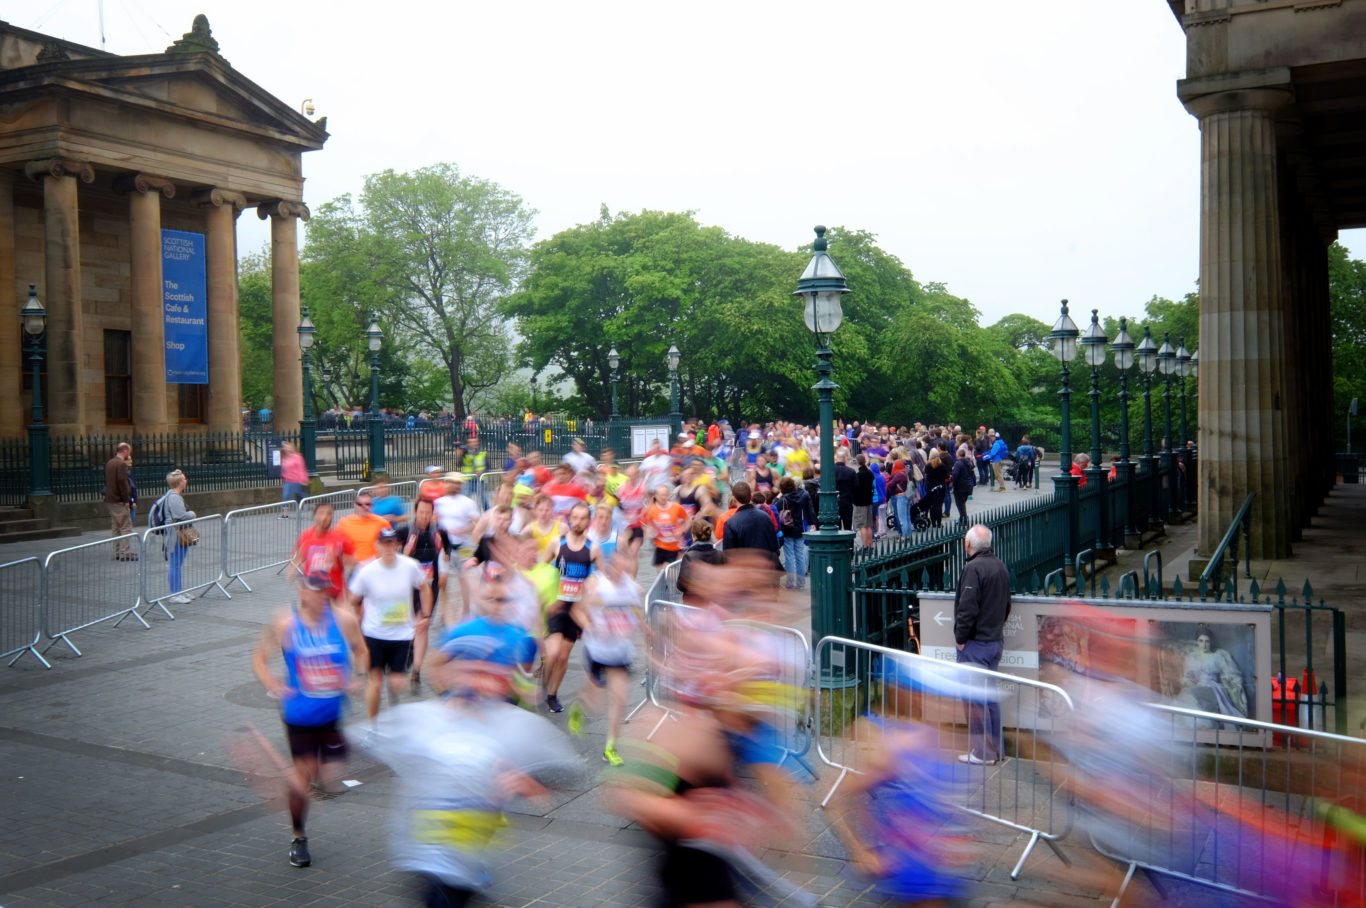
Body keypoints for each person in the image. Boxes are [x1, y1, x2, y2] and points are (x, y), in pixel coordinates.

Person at [252, 571, 366, 869]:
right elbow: (259, 658)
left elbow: (362, 651)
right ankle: (298, 835)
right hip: (299, 714)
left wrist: (356, 676)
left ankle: (316, 779)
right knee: (304, 774)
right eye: (315, 591)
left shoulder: (344, 620)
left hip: (331, 713)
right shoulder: (285, 623)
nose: (320, 597)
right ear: (303, 591)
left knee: (330, 777)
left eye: (324, 591)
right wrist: (272, 683)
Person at [568, 548, 645, 766]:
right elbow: (576, 611)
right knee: (595, 700)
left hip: (620, 652)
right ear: (610, 566)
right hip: (597, 650)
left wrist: (645, 627)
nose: (621, 573)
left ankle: (610, 748)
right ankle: (579, 706)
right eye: (617, 568)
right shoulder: (595, 584)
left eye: (625, 569)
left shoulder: (632, 587)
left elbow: (635, 610)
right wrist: (591, 625)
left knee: (619, 699)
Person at [348, 527, 433, 723]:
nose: (388, 548)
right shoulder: (367, 570)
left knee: (396, 684)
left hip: (401, 635)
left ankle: (394, 713)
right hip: (374, 634)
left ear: (397, 545)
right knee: (375, 684)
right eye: (384, 544)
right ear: (377, 546)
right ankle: (373, 726)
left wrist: (426, 617)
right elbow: (353, 599)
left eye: (391, 544)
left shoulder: (410, 566)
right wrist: (355, 621)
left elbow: (425, 588)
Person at [953, 524, 1011, 764]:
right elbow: (1007, 605)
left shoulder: (973, 568)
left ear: (968, 545)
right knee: (989, 700)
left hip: (975, 645)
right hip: (994, 641)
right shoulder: (1000, 566)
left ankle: (982, 753)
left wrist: (960, 639)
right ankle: (996, 750)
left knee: (975, 701)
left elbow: (967, 608)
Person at [541, 502, 605, 713]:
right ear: (570, 519)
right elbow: (541, 571)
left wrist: (594, 587)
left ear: (588, 521)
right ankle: (544, 683)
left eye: (583, 518)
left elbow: (602, 579)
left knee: (563, 655)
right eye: (575, 518)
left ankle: (552, 694)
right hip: (556, 606)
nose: (578, 522)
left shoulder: (593, 549)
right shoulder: (556, 543)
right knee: (552, 652)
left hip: (576, 611)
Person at [396, 497, 447, 691]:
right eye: (421, 512)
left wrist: (443, 572)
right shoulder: (404, 532)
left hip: (429, 586)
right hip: (408, 588)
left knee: (422, 625)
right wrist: (405, 553)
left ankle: (416, 671)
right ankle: (409, 647)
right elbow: (388, 552)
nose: (425, 517)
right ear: (415, 512)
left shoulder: (438, 533)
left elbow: (445, 552)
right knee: (409, 625)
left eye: (428, 513)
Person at [1173, 628, 1249, 720]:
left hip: (1213, 688)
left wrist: (1235, 684)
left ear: (1210, 642)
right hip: (1197, 687)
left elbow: (1231, 674)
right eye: (1201, 641)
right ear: (1197, 641)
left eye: (1207, 641)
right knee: (1186, 695)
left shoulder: (1218, 656)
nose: (1204, 645)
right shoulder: (1192, 657)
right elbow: (1188, 676)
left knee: (1190, 694)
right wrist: (1191, 683)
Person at [290, 502, 353, 603]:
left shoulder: (340, 538)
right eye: (321, 513)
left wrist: (337, 559)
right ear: (314, 516)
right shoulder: (306, 535)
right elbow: (296, 555)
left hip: (334, 595)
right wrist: (294, 567)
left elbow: (353, 561)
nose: (325, 517)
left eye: (329, 513)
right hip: (311, 594)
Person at [158, 470, 197, 604]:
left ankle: (178, 590)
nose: (186, 481)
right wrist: (192, 514)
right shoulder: (174, 497)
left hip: (177, 533)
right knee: (175, 564)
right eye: (184, 479)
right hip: (175, 534)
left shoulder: (173, 495)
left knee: (177, 564)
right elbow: (181, 516)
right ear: (179, 482)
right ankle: (175, 594)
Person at [720, 482, 779, 566]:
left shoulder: (730, 523)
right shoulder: (766, 517)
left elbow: (728, 556)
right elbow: (774, 545)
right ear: (751, 497)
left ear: (734, 499)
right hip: (766, 568)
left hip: (745, 572)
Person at [775, 476, 815, 590]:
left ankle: (790, 582)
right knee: (800, 555)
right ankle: (801, 582)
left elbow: (774, 506)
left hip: (787, 529)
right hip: (799, 527)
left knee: (789, 556)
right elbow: (809, 511)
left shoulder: (783, 499)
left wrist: (778, 497)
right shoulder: (802, 495)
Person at [335, 491, 392, 572]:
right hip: (354, 568)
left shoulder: (381, 522)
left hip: (376, 566)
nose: (364, 507)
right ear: (355, 505)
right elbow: (335, 545)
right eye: (360, 504)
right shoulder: (344, 523)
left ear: (372, 505)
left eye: (368, 504)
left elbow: (390, 544)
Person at [642, 484, 687, 571]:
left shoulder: (677, 507)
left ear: (668, 495)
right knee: (660, 571)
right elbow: (644, 524)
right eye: (661, 495)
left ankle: (672, 583)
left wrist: (681, 530)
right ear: (656, 496)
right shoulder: (651, 510)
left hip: (675, 545)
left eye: (665, 494)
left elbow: (688, 521)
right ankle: (666, 584)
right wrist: (648, 531)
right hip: (660, 545)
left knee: (668, 570)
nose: (663, 497)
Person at [105, 441, 135, 560]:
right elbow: (122, 483)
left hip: (110, 499)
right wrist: (126, 499)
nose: (129, 455)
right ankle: (125, 553)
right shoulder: (121, 464)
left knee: (116, 527)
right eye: (129, 452)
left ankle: (118, 552)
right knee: (125, 526)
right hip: (119, 500)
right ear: (125, 451)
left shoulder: (110, 462)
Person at [279, 441, 308, 515]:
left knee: (299, 495)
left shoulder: (297, 457)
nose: (287, 449)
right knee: (285, 497)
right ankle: (285, 513)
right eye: (285, 447)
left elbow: (301, 468)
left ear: (291, 447)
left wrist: (303, 479)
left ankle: (303, 508)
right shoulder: (284, 458)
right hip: (287, 481)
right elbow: (284, 469)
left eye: (288, 447)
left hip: (296, 481)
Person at [950, 447, 976, 526]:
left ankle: (964, 520)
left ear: (958, 455)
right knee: (962, 503)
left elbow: (955, 476)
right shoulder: (968, 462)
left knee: (960, 504)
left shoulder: (958, 463)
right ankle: (962, 518)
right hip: (967, 485)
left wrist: (952, 481)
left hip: (960, 487)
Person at [833, 450, 856, 532]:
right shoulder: (851, 471)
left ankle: (837, 543)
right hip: (847, 501)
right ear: (845, 459)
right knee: (848, 526)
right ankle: (849, 543)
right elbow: (855, 487)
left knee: (836, 527)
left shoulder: (831, 471)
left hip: (834, 502)